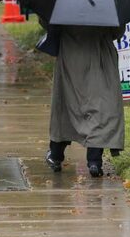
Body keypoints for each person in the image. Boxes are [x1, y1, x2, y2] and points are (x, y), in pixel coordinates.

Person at [44, 23, 125, 178]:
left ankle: (55, 155)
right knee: (99, 108)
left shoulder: (61, 3)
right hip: (100, 57)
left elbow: (49, 25)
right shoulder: (107, 2)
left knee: (66, 107)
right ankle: (94, 161)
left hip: (70, 54)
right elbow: (117, 31)